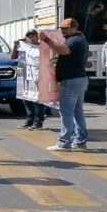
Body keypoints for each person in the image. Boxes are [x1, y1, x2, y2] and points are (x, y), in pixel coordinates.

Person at [41, 18, 89, 151]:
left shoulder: (75, 40)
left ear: (75, 28)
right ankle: (80, 141)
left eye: (66, 28)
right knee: (77, 112)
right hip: (78, 80)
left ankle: (64, 142)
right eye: (61, 28)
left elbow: (63, 50)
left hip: (71, 81)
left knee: (66, 112)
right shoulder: (79, 39)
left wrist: (47, 40)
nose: (63, 31)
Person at [11, 31, 47, 129]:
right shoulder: (23, 46)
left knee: (37, 99)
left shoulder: (41, 47)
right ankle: (30, 118)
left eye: (33, 36)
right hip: (25, 74)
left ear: (37, 37)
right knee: (26, 98)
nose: (31, 38)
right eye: (29, 36)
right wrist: (15, 46)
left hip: (37, 75)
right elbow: (13, 57)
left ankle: (38, 120)